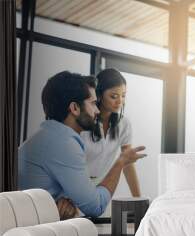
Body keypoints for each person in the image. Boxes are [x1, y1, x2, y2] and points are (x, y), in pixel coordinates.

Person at [18, 71, 146, 219]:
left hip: (77, 194)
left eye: (123, 95)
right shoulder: (65, 143)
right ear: (74, 108)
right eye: (93, 103)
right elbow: (95, 207)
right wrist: (120, 162)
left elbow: (61, 177)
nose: (97, 109)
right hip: (81, 198)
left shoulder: (49, 135)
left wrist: (62, 200)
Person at [80, 68, 140, 198]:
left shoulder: (123, 124)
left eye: (123, 95)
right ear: (99, 95)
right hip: (75, 185)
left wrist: (139, 199)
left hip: (101, 189)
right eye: (114, 96)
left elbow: (127, 164)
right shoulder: (84, 121)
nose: (120, 101)